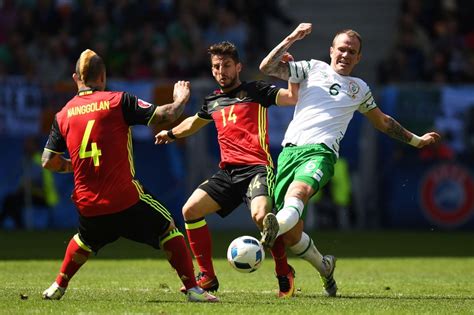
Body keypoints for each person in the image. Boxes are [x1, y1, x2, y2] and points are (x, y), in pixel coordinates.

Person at [259, 23, 441, 297]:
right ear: (331, 50)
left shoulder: (359, 88)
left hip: (321, 152)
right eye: (341, 49)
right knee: (293, 238)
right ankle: (324, 266)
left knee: (300, 192)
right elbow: (267, 68)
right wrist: (292, 37)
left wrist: (417, 140)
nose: (345, 54)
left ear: (359, 58)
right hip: (288, 153)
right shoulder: (311, 68)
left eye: (351, 51)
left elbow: (383, 122)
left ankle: (272, 229)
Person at [41, 49, 217, 302]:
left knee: (85, 239)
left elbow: (48, 161)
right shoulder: (117, 101)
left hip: (89, 203)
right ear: (102, 77)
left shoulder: (63, 114)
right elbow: (166, 115)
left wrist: (75, 165)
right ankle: (193, 289)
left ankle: (58, 285)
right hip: (125, 198)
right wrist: (180, 99)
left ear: (75, 78)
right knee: (169, 228)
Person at [155, 41, 298, 298]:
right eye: (217, 66)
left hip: (257, 168)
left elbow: (291, 97)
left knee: (262, 218)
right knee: (190, 210)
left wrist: (293, 71)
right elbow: (192, 124)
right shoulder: (213, 101)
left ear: (239, 66)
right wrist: (171, 133)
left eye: (227, 65)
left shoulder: (256, 90)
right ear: (212, 71)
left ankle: (283, 271)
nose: (222, 71)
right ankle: (207, 277)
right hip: (228, 173)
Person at [0, 137, 59, 229]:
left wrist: (21, 188)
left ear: (35, 146)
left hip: (44, 195)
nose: (25, 146)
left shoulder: (38, 160)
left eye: (28, 144)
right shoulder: (30, 159)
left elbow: (32, 181)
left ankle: (18, 226)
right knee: (11, 201)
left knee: (12, 201)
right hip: (34, 193)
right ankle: (18, 225)